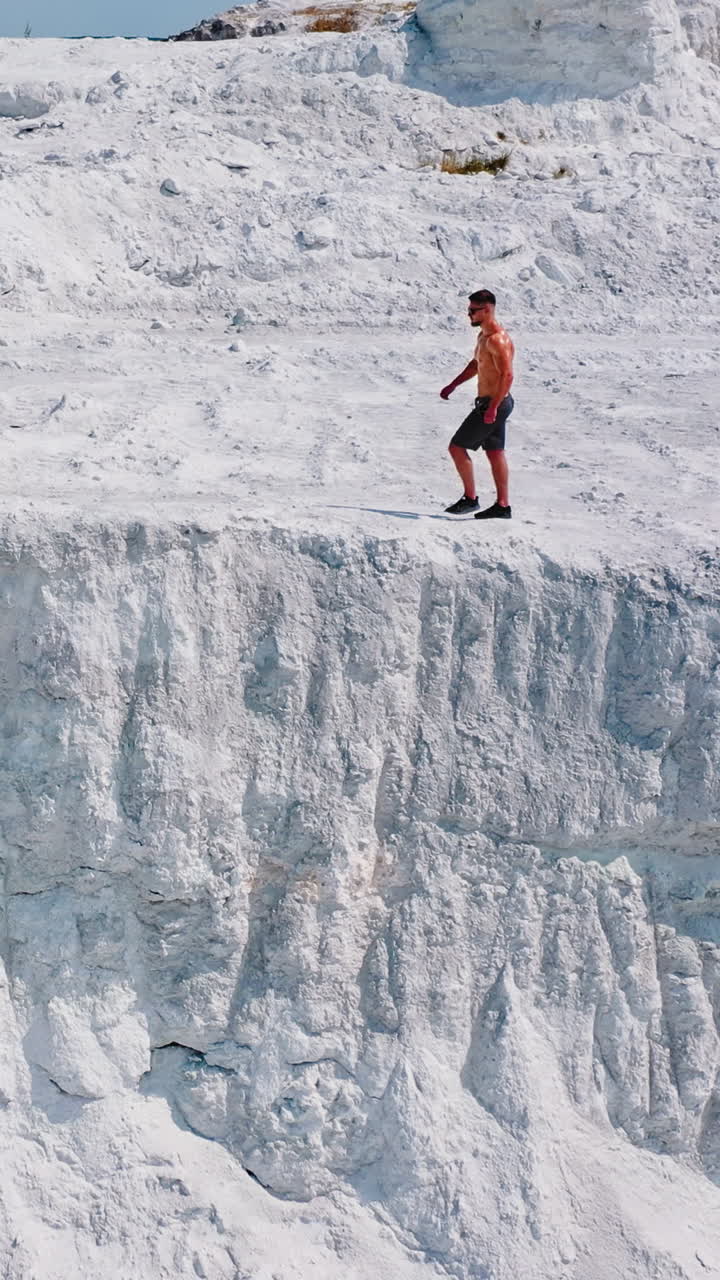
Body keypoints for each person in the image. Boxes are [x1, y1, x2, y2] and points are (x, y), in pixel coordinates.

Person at [440, 289, 515, 519]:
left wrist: (492, 408)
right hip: (493, 403)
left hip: (494, 404)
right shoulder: (483, 336)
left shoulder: (498, 340)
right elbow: (476, 364)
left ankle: (471, 499)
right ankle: (502, 506)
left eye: (473, 310)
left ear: (487, 309)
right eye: (469, 310)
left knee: (456, 447)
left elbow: (507, 376)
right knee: (494, 452)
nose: (469, 314)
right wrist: (453, 385)